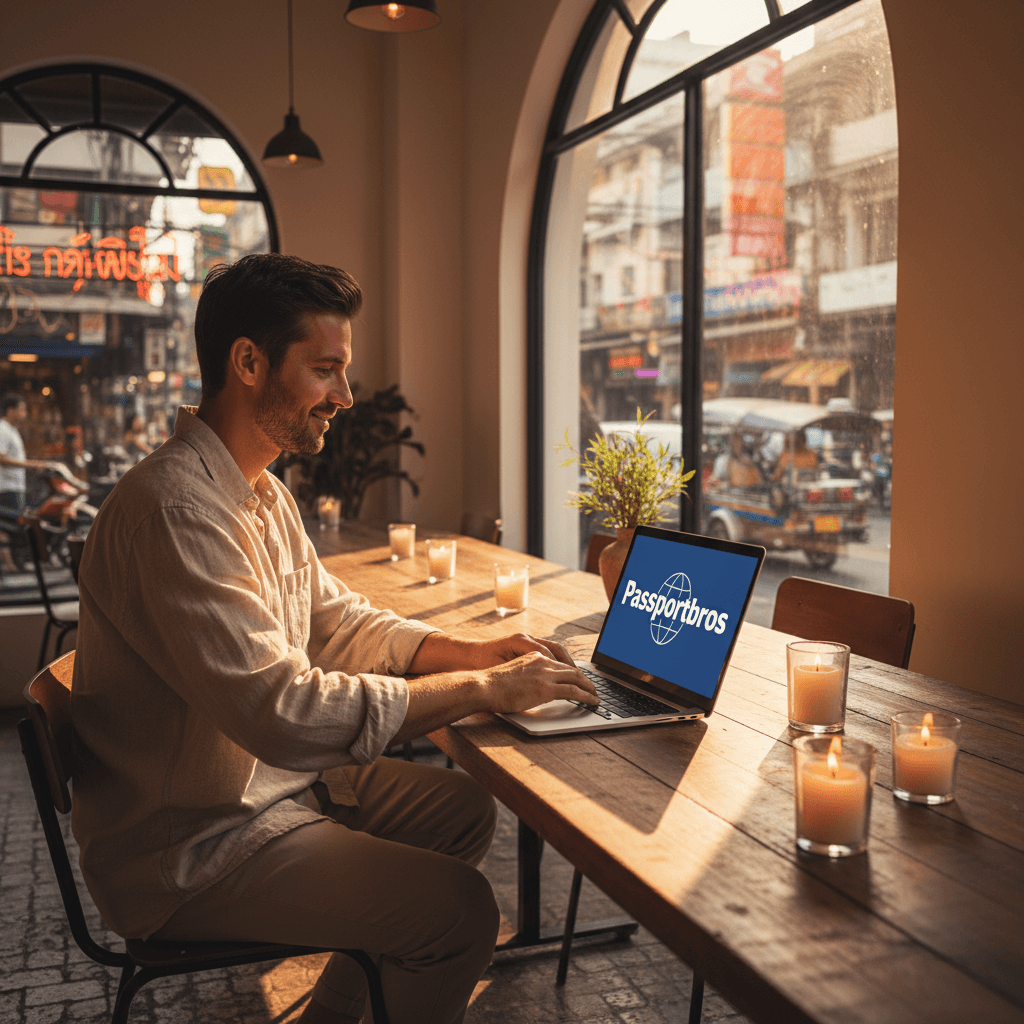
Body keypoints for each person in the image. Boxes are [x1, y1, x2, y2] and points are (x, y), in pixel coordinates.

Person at [71, 253, 599, 1024]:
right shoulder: (173, 511)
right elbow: (280, 712)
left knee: (462, 812)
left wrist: (474, 653)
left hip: (260, 794)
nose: (345, 397)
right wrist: (481, 692)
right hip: (193, 847)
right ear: (248, 362)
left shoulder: (262, 493)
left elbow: (336, 621)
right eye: (326, 371)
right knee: (457, 913)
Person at [1, 393, 57, 572]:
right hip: (6, 486)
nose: (25, 413)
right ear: (11, 410)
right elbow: (1, 457)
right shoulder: (2, 428)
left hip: (16, 485)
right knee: (13, 526)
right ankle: (13, 563)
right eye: (22, 409)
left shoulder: (12, 429)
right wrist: (31, 464)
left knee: (11, 526)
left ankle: (11, 563)